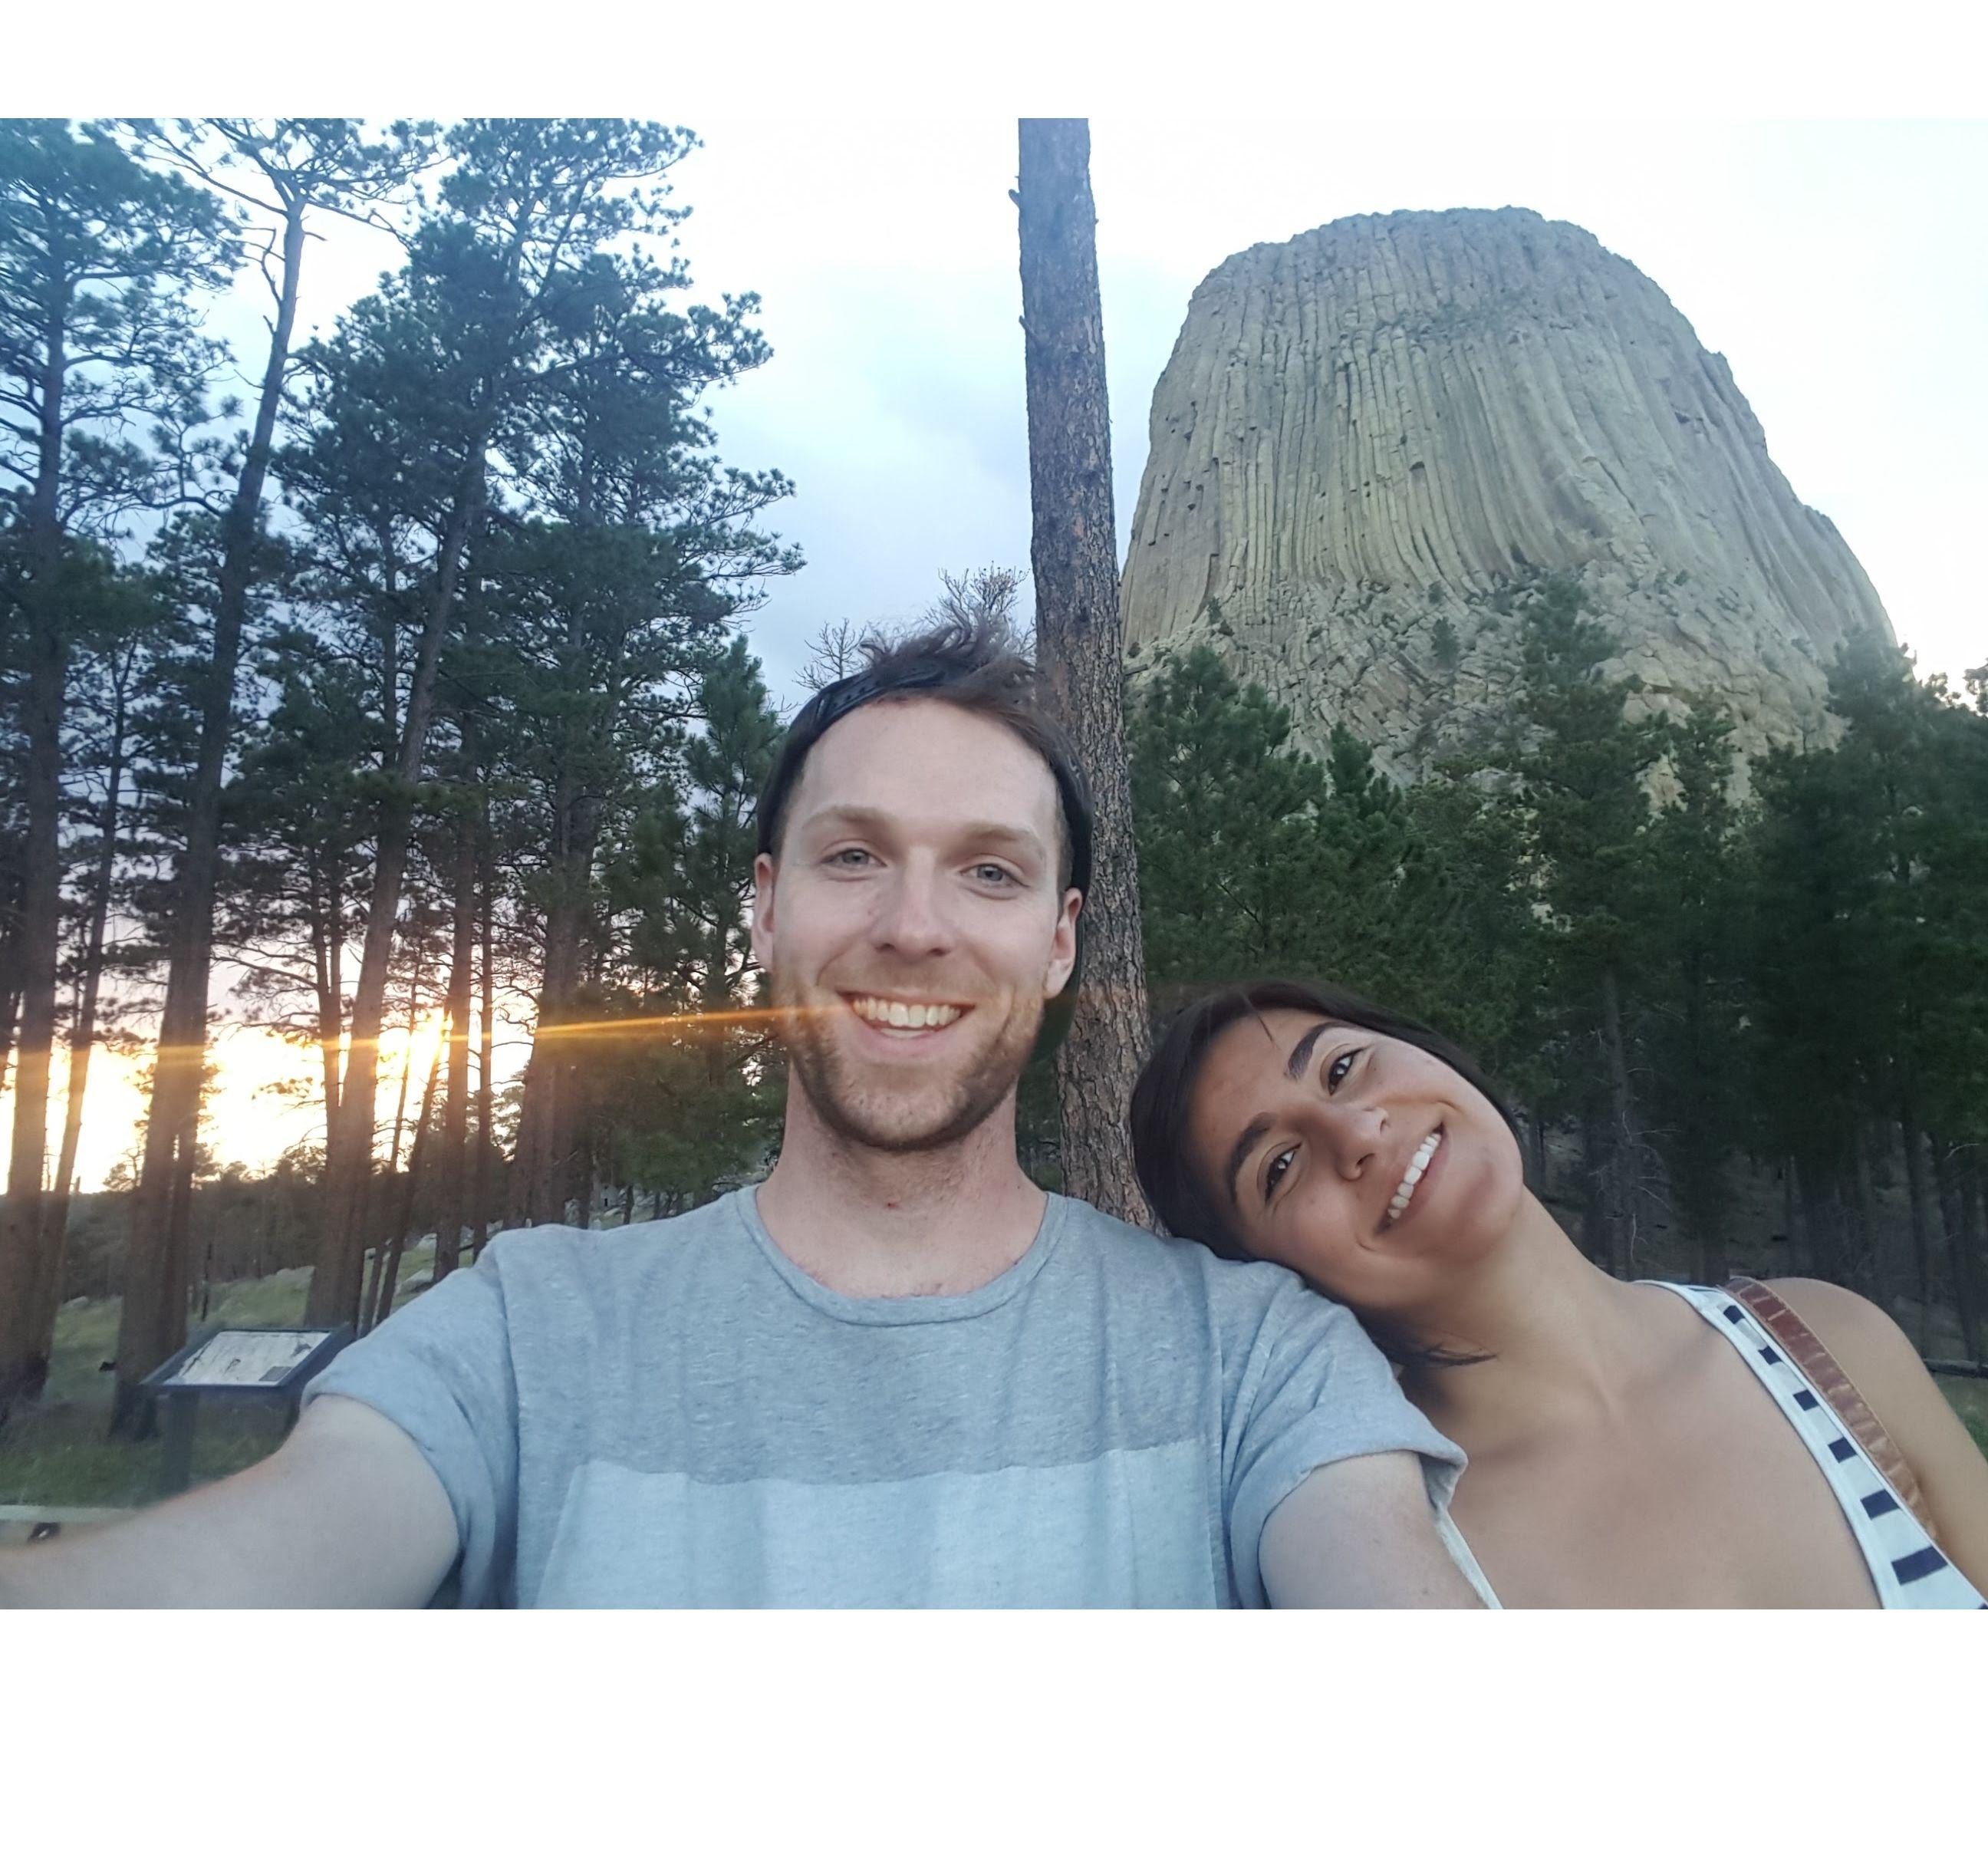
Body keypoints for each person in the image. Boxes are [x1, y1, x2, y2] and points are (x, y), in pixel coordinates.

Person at [0, 621, 1475, 1609]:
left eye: (988, 871)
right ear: (763, 910)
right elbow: (268, 1552)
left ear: (1063, 941)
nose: (914, 927)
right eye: (852, 856)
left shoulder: (1250, 1359)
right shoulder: (531, 1332)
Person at [1129, 977, 1988, 1608]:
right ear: (1270, 1276)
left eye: (1345, 1067)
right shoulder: (1385, 1553)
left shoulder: (1829, 1340)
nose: (1355, 1132)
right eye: (1279, 1167)